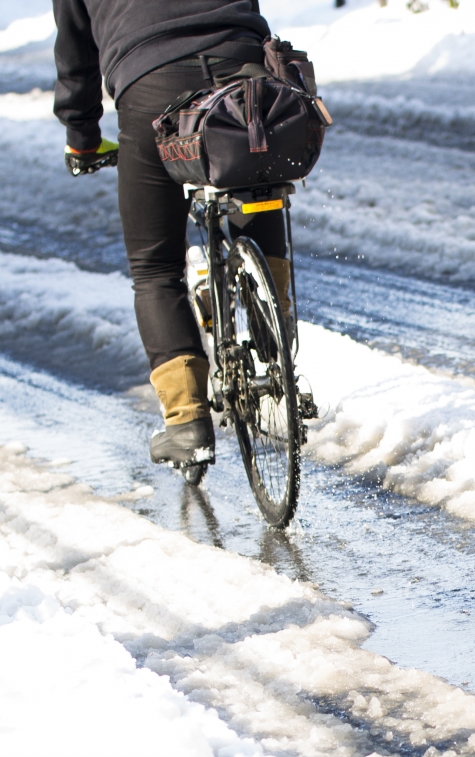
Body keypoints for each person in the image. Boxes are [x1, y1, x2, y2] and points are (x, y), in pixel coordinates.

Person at [53, 0, 295, 466]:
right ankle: (272, 332)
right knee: (255, 178)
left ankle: (186, 423)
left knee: (155, 267)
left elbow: (75, 53)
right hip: (240, 71)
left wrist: (81, 137)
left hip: (151, 84)